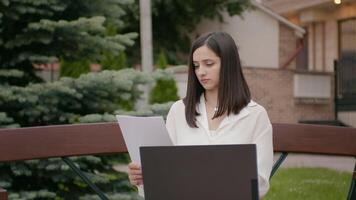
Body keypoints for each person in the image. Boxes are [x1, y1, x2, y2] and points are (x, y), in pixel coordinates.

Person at [128, 31, 273, 198]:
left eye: (209, 64)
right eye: (196, 65)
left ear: (228, 64)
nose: (201, 72)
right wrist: (142, 177)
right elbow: (163, 177)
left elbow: (260, 183)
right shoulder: (179, 111)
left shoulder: (255, 115)